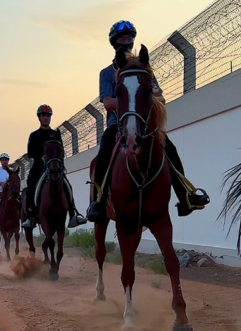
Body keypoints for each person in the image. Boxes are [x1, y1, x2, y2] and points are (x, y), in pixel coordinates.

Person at [86, 20, 210, 223]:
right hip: (117, 125)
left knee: (169, 147)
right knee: (105, 149)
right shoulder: (107, 73)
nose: (126, 41)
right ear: (114, 42)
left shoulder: (145, 69)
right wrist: (130, 101)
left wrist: (143, 99)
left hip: (144, 124)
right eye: (122, 38)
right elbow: (108, 102)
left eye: (129, 37)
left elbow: (159, 96)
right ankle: (98, 202)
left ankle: (186, 196)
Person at [21, 105, 87, 229]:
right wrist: (42, 155)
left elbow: (61, 150)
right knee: (31, 183)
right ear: (39, 118)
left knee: (67, 185)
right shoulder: (34, 135)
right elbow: (30, 153)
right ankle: (30, 215)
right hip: (39, 166)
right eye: (43, 116)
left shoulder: (55, 133)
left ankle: (73, 214)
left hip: (54, 166)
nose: (46, 118)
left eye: (48, 116)